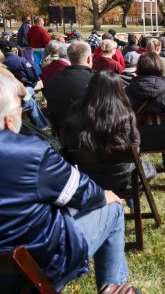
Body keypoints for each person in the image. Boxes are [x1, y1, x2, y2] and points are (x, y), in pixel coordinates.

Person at [0, 75, 133, 292]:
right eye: (19, 107)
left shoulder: (72, 115)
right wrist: (103, 196)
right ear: (8, 119)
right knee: (114, 208)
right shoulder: (31, 153)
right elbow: (83, 194)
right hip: (37, 261)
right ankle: (113, 286)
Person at [62, 70, 156, 197]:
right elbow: (135, 146)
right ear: (118, 90)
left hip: (89, 180)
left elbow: (68, 144)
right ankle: (131, 204)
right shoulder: (125, 116)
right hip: (123, 181)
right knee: (145, 167)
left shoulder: (75, 112)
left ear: (90, 88)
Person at [45, 41, 95, 131]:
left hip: (62, 130)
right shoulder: (96, 79)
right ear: (89, 59)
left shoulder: (54, 79)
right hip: (89, 132)